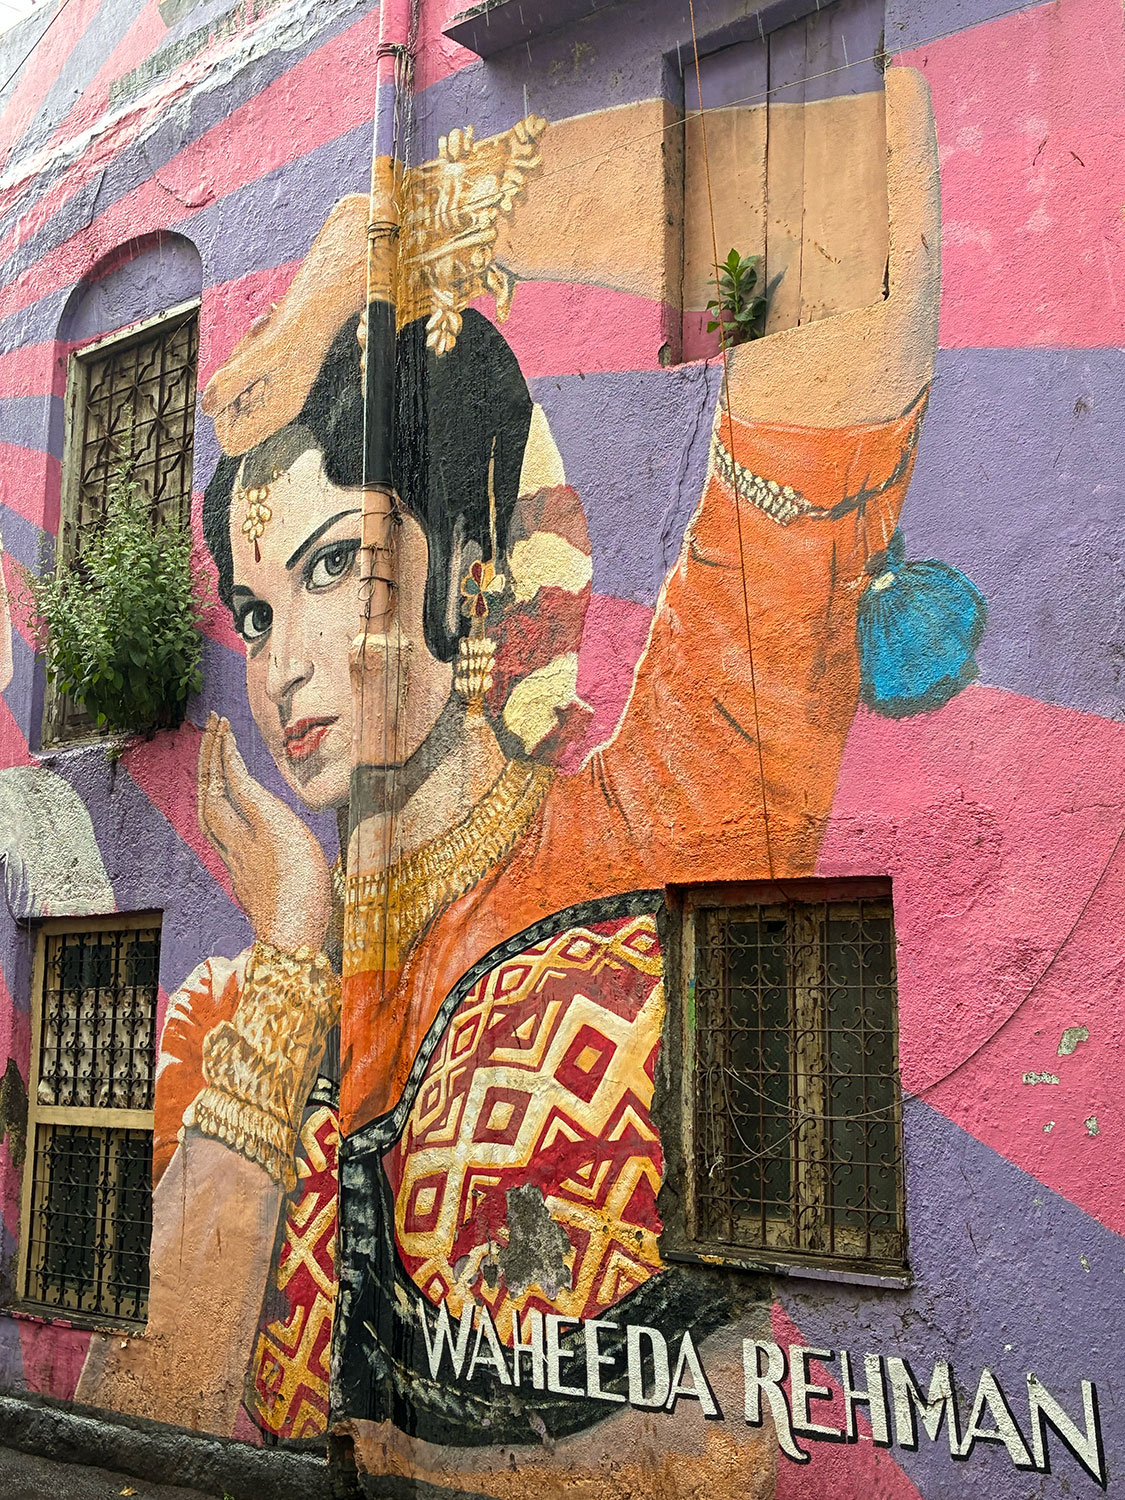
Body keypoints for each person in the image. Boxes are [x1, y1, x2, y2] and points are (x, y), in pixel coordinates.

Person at [81, 68, 940, 1495]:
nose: (288, 658)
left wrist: (404, 230)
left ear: (473, 573)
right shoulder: (234, 1013)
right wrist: (293, 950)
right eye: (251, 610)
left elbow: (857, 212)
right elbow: (146, 1413)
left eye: (334, 563)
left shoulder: (676, 797)